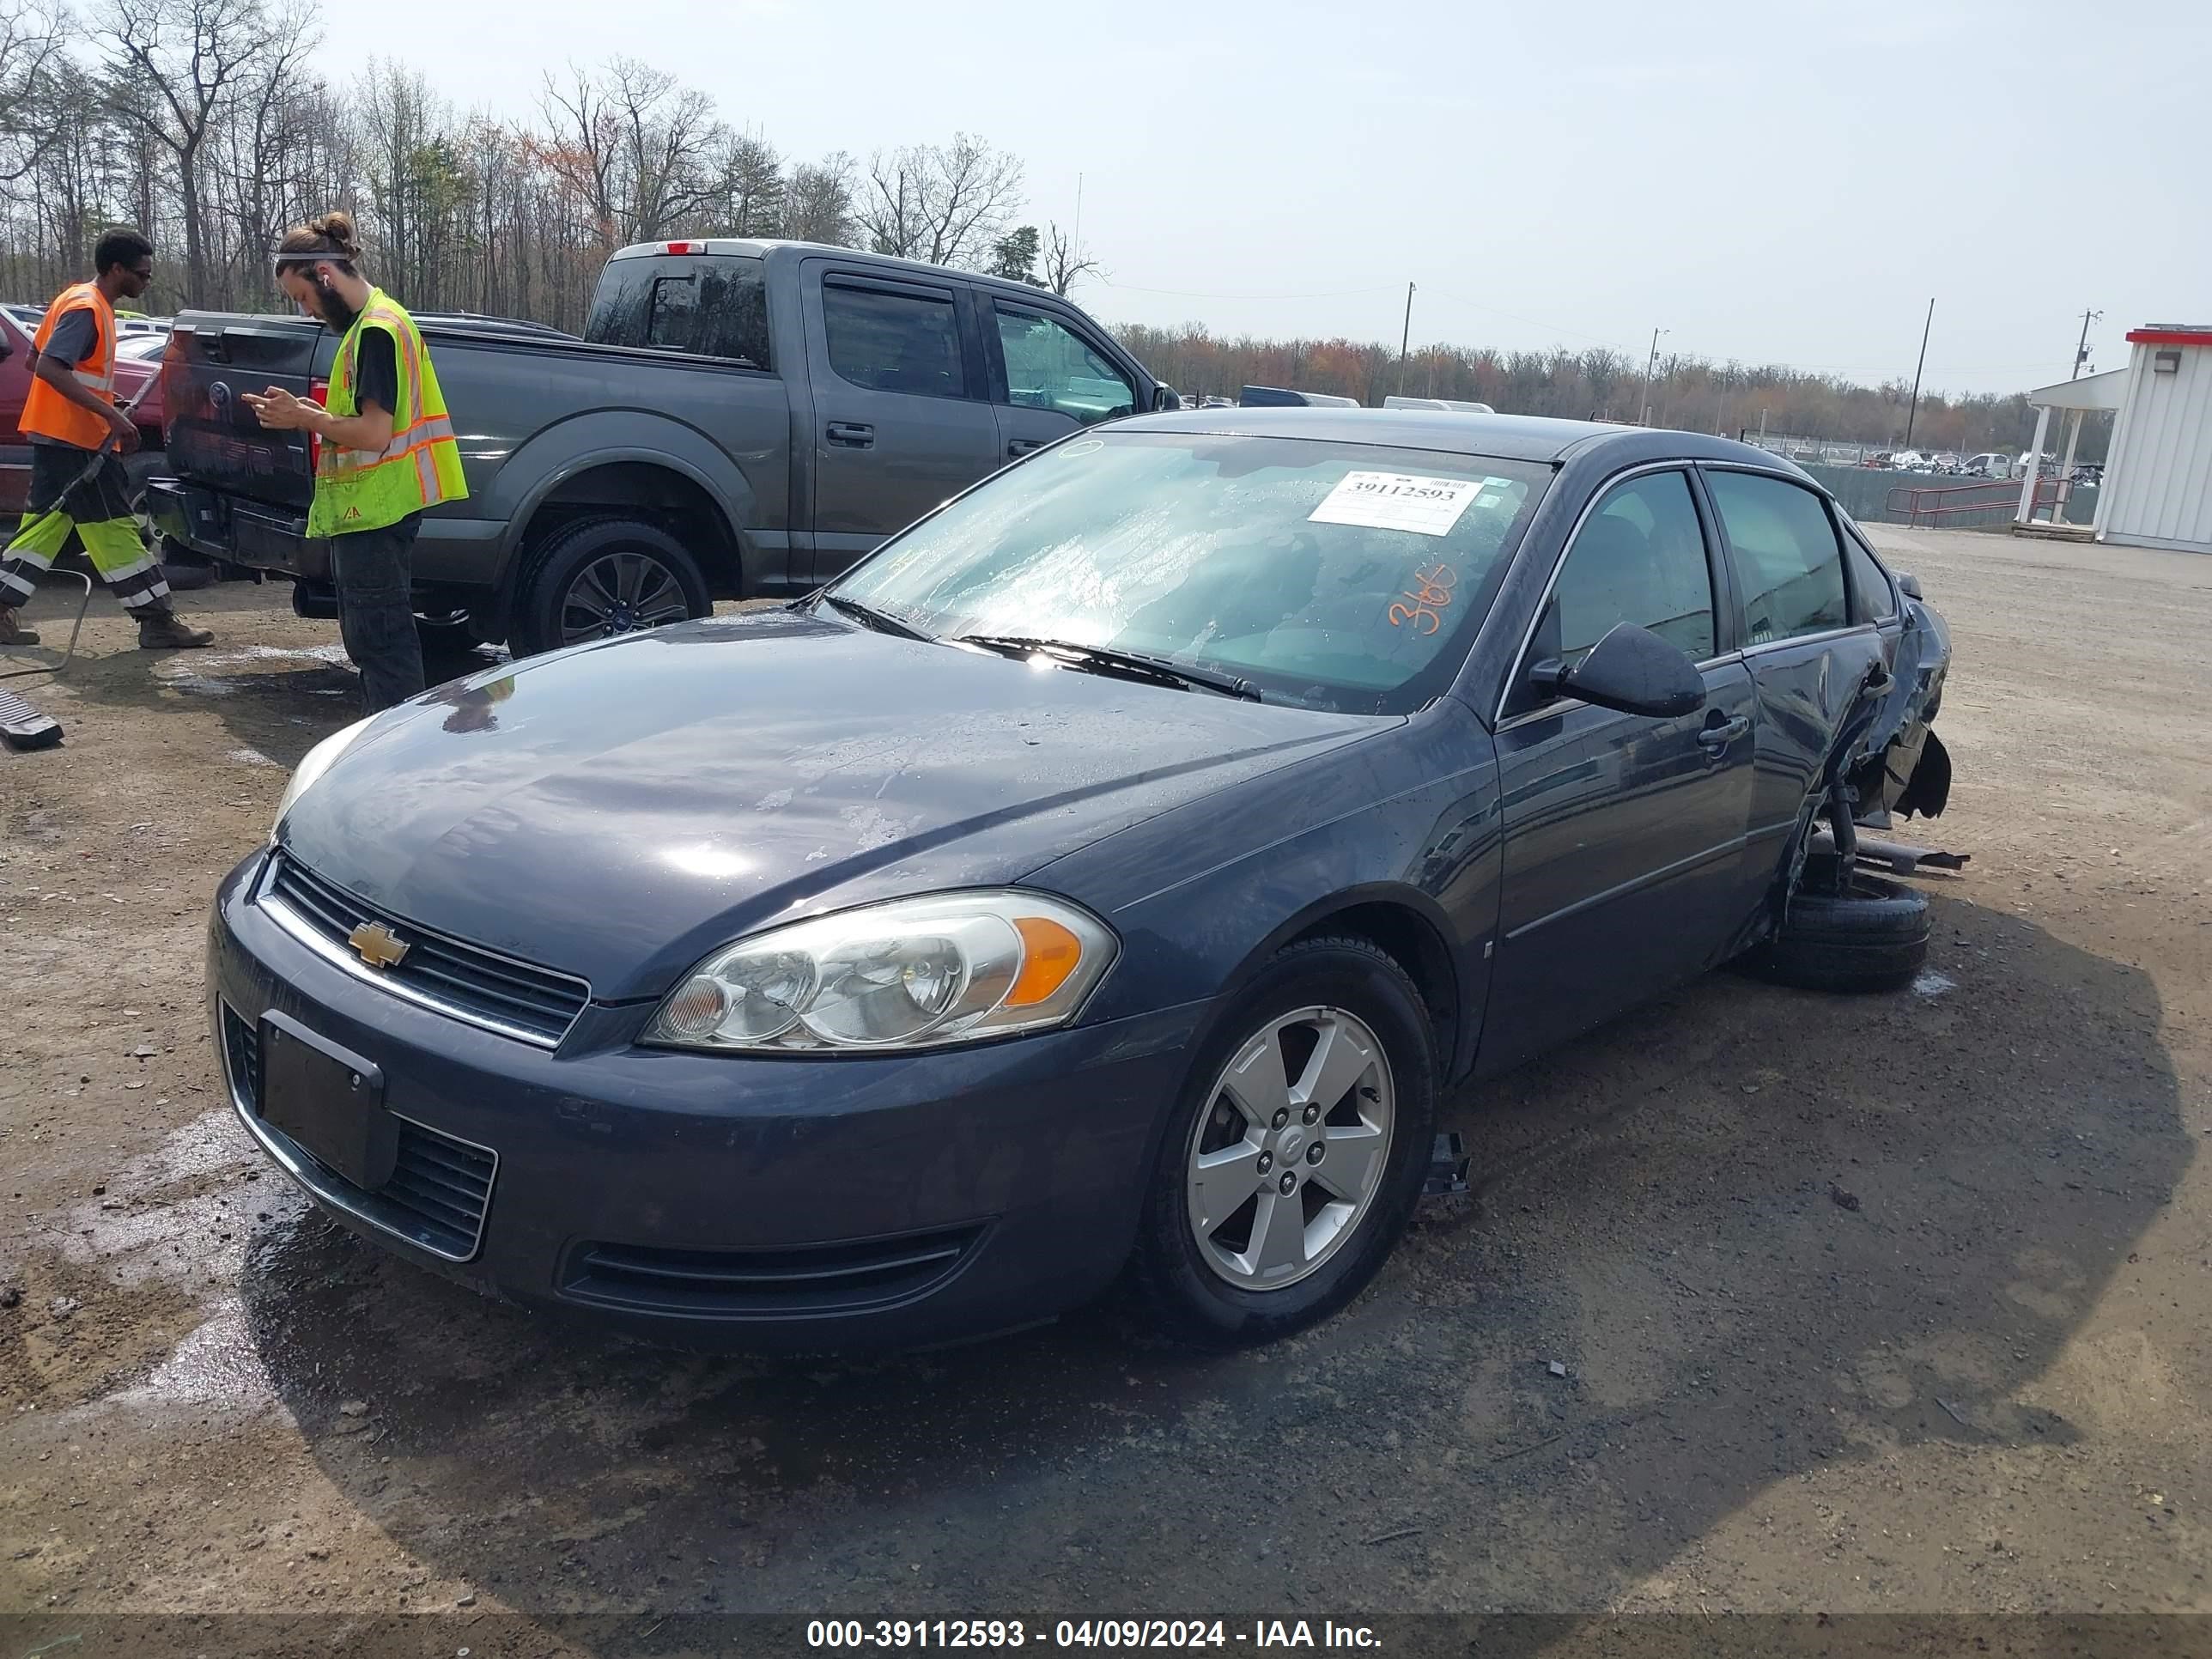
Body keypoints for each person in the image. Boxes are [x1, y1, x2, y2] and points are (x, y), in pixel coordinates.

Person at [243, 211, 467, 713]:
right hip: (379, 508)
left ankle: (392, 757)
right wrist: (306, 411)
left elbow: (373, 433)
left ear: (324, 274)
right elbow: (366, 422)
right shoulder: (379, 321)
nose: (306, 312)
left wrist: (305, 421)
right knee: (381, 637)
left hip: (375, 511)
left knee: (380, 641)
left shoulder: (375, 332)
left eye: (302, 298)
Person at [0, 228, 214, 650]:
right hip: (76, 441)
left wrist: (102, 399)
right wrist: (110, 414)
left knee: (42, 528)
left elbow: (34, 358)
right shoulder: (86, 308)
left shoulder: (78, 299)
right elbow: (47, 366)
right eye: (142, 273)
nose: (147, 281)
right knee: (115, 529)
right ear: (116, 269)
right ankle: (156, 621)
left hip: (60, 436)